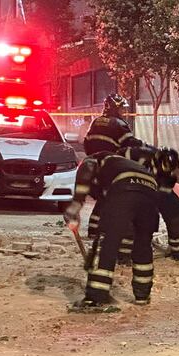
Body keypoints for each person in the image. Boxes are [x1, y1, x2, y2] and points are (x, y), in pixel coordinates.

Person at [65, 147, 168, 309]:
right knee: (143, 244)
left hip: (125, 186)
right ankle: (142, 295)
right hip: (150, 191)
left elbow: (87, 172)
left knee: (108, 242)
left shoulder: (95, 159)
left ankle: (96, 297)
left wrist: (74, 208)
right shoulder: (122, 165)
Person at [83, 94, 141, 239]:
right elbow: (130, 143)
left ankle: (94, 229)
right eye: (121, 108)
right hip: (111, 166)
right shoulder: (119, 124)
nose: (124, 112)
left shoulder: (96, 122)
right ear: (115, 108)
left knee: (104, 197)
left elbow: (86, 142)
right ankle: (98, 231)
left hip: (94, 165)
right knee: (110, 197)